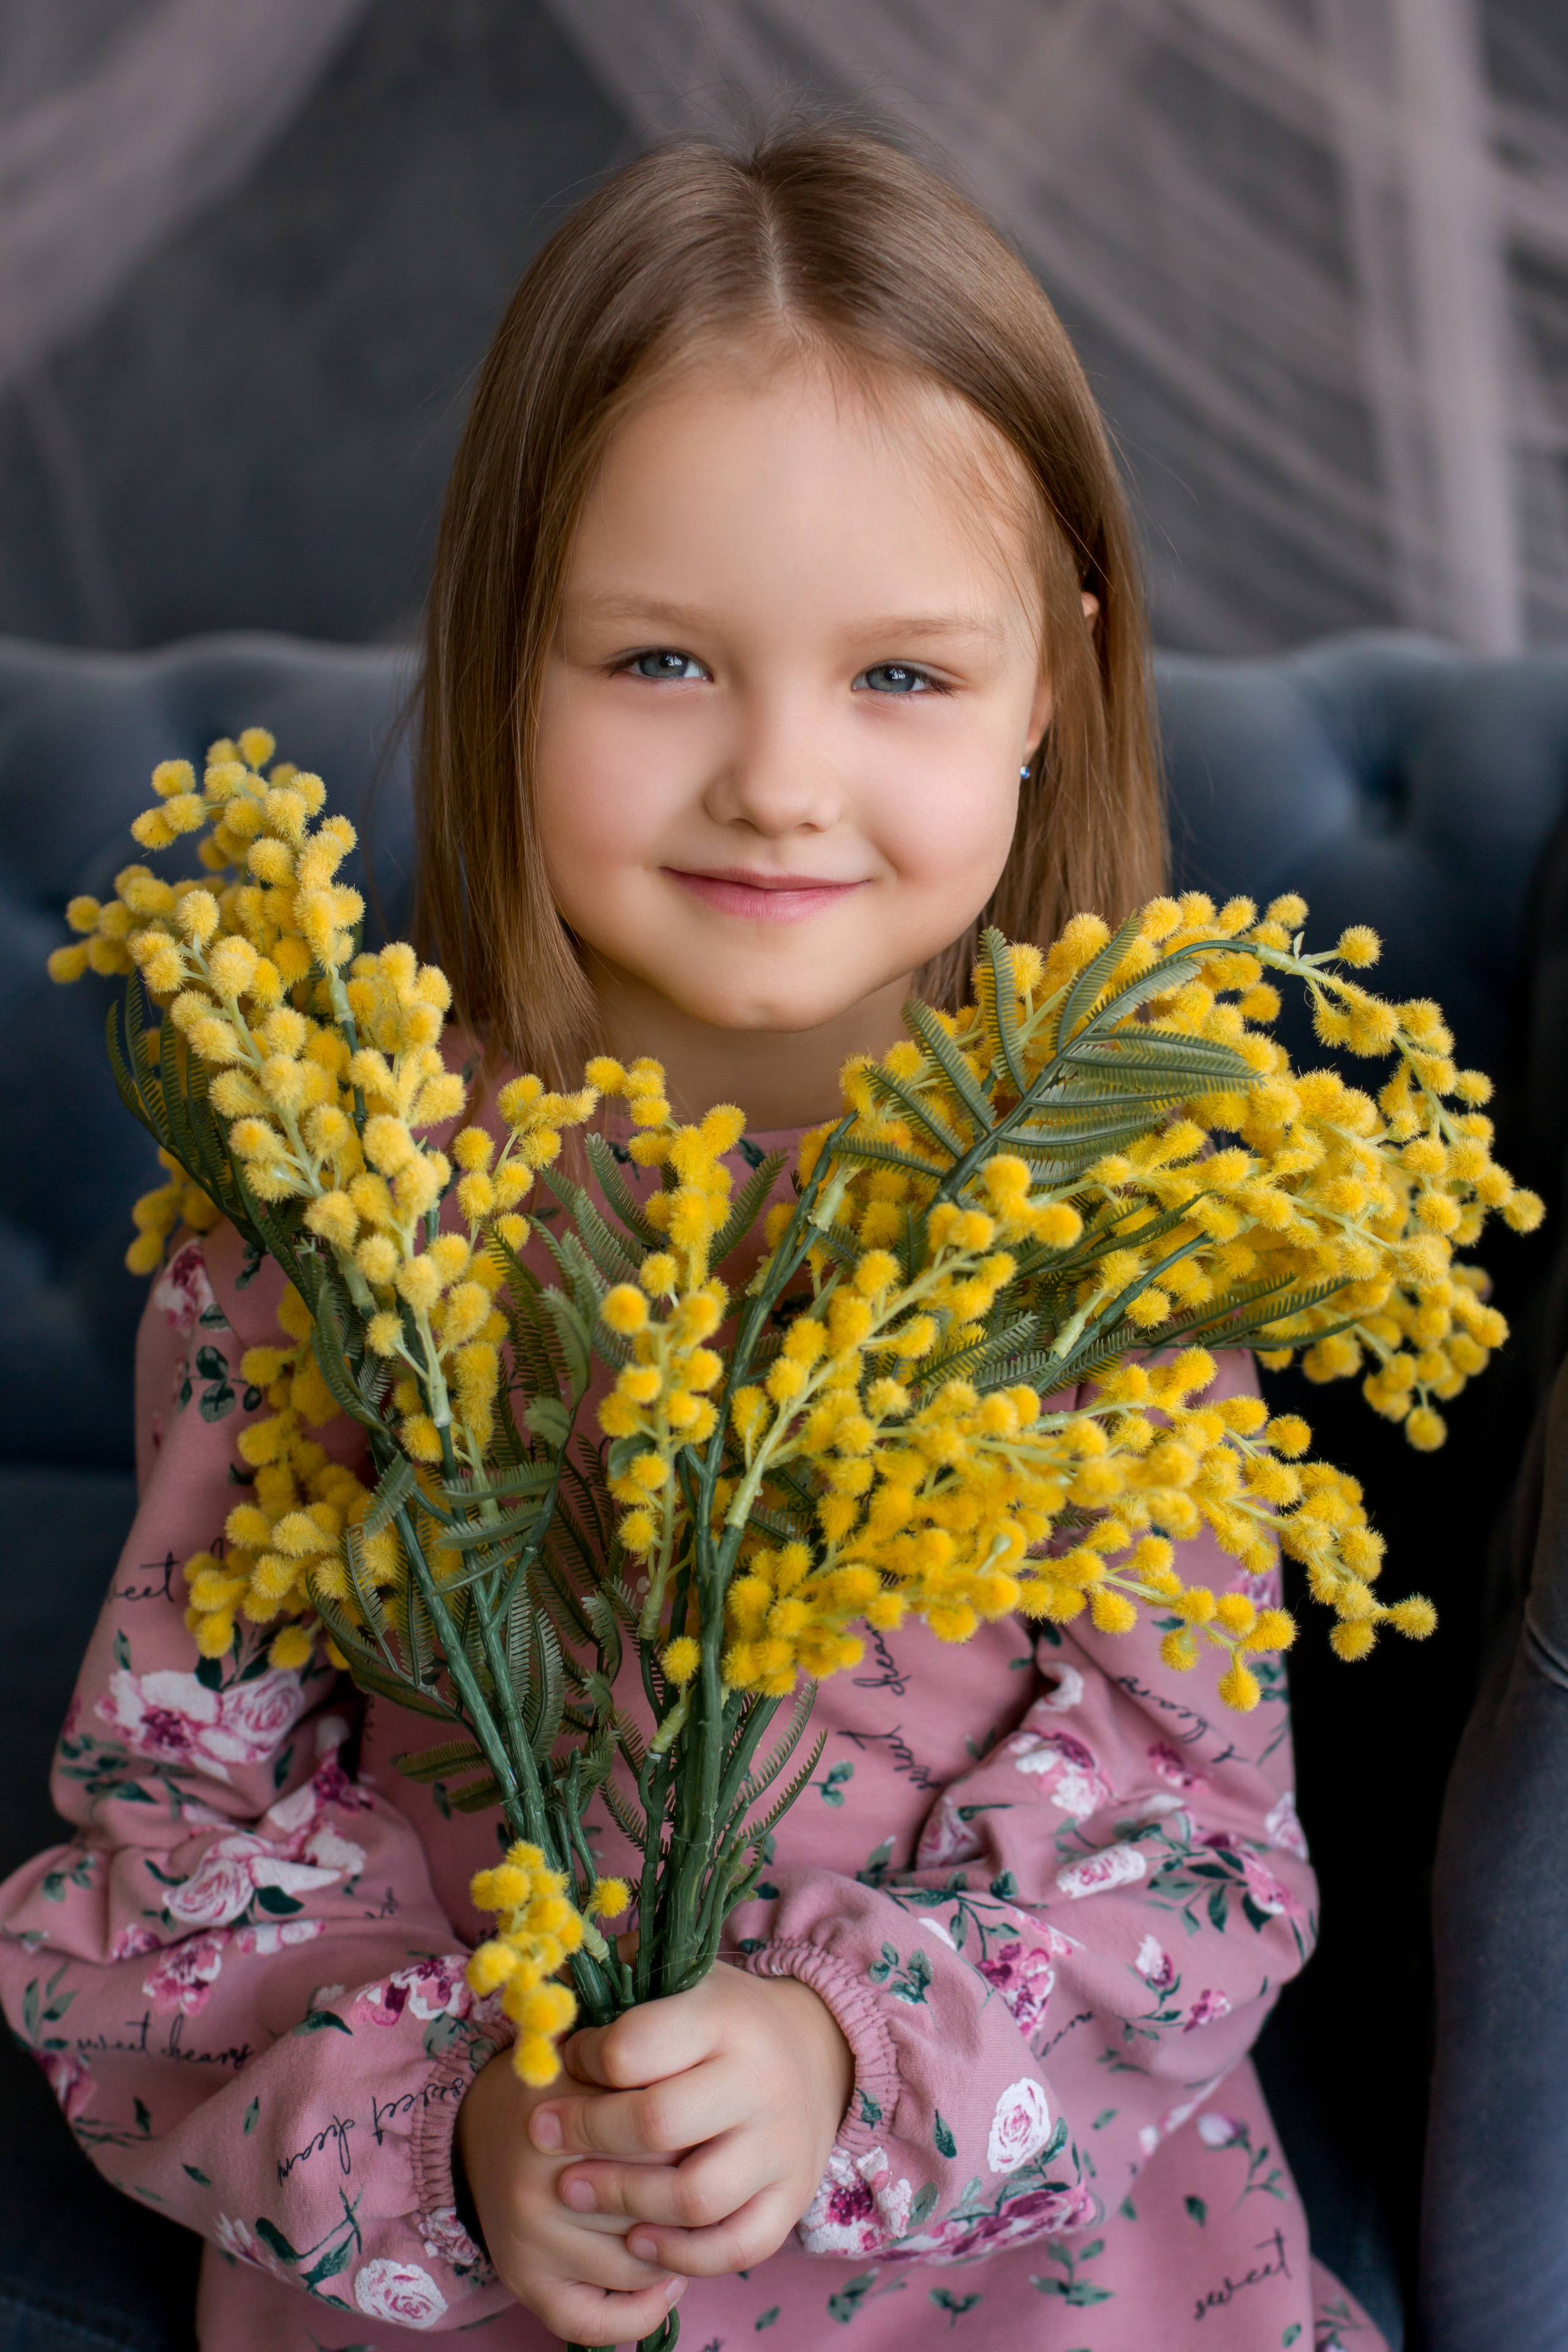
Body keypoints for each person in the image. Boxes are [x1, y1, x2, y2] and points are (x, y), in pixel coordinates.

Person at [0, 130, 1383, 2350]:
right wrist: (459, 2130)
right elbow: (175, 1845)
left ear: (1055, 685)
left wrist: (841, 2054)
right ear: (500, 656)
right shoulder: (336, 1213)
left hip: (1024, 2288)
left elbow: (1190, 1833)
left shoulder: (1109, 1224)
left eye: (903, 679)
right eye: (659, 659)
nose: (777, 777)